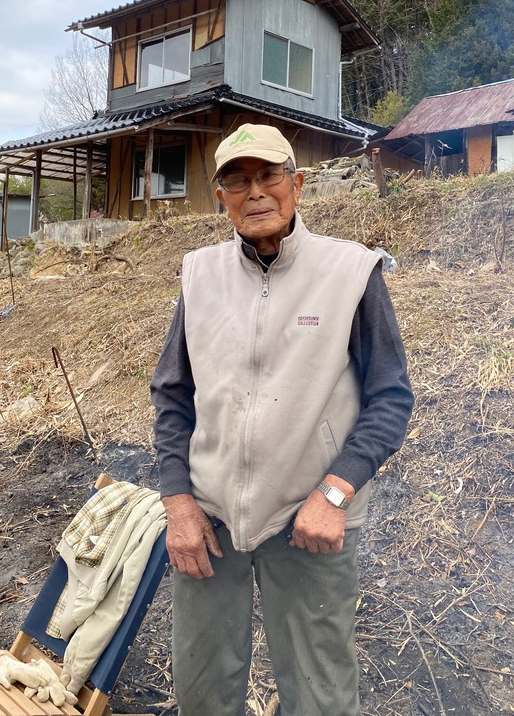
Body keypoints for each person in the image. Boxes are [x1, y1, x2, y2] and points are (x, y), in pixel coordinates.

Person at [151, 123, 414, 716]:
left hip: (308, 520)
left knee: (319, 695)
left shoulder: (351, 274)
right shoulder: (200, 276)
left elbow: (391, 398)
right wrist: (178, 503)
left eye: (269, 175)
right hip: (209, 523)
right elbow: (172, 396)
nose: (256, 192)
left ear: (297, 183)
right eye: (237, 181)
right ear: (221, 197)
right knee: (202, 691)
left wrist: (335, 493)